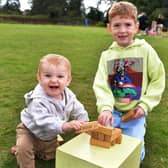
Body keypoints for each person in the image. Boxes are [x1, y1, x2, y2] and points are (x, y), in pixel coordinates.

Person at [93, 1, 165, 162]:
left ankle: (140, 126)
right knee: (103, 147)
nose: (123, 30)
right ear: (109, 27)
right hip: (114, 112)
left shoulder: (145, 50)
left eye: (127, 24)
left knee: (133, 156)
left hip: (135, 113)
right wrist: (105, 108)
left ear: (136, 26)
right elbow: (101, 85)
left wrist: (145, 105)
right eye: (117, 25)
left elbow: (158, 79)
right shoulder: (106, 55)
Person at [11, 54, 89, 168]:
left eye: (60, 76)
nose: (53, 80)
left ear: (68, 80)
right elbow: (42, 120)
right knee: (24, 147)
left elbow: (78, 109)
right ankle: (22, 152)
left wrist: (84, 122)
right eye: (47, 75)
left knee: (51, 156)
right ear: (39, 77)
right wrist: (64, 125)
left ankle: (37, 150)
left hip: (49, 135)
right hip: (29, 131)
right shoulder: (37, 99)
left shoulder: (69, 96)